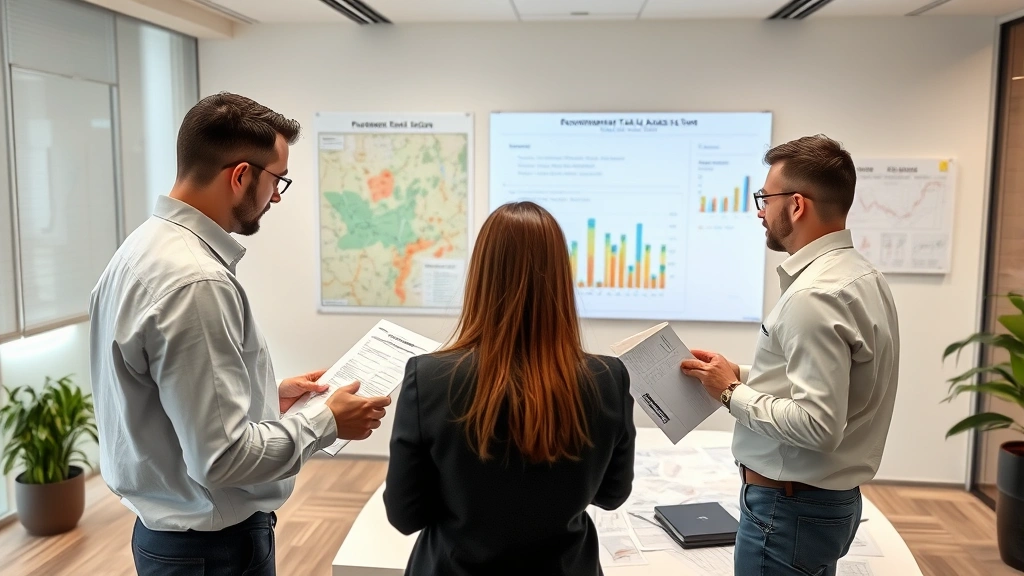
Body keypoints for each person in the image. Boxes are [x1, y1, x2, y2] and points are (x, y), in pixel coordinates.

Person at [88, 92, 391, 576]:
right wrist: (327, 421)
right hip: (212, 552)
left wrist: (267, 396)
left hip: (171, 540)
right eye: (278, 180)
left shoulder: (139, 249)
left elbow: (165, 400)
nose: (277, 197)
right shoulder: (195, 282)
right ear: (241, 176)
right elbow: (222, 460)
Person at [680, 134, 900, 576]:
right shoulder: (862, 276)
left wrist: (731, 392)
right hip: (818, 503)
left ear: (797, 205)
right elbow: (833, 383)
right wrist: (736, 374)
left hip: (788, 510)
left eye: (765, 198)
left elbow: (818, 425)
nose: (760, 212)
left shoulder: (814, 295)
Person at [382, 201, 637, 576]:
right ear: (560, 278)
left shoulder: (429, 377)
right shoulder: (607, 377)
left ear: (481, 276)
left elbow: (405, 515)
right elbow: (612, 495)